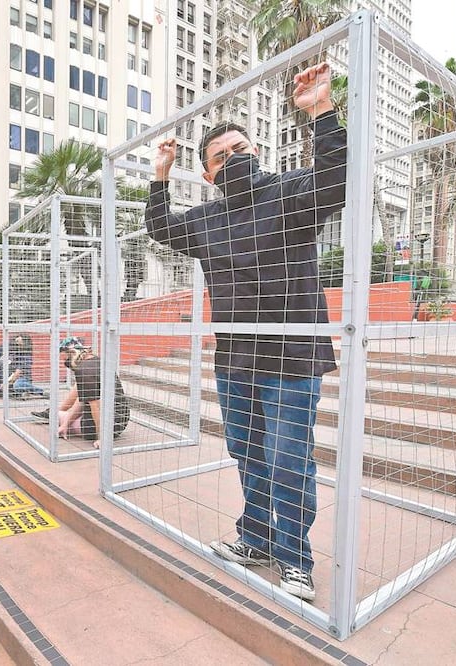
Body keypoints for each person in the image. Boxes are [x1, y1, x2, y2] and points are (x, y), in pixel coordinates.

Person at [145, 62, 346, 602]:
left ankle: (295, 559)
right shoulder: (206, 219)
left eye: (241, 149)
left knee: (287, 457)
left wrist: (320, 111)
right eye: (221, 156)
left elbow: (335, 179)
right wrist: (161, 174)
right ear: (208, 174)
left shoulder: (289, 194)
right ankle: (255, 538)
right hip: (236, 359)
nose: (234, 159)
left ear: (257, 152)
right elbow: (160, 227)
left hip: (293, 357)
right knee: (247, 450)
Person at [30, 337, 130, 445]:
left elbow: (95, 405)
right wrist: (66, 424)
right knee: (66, 413)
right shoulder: (98, 361)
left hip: (105, 427)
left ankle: (51, 415)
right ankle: (60, 418)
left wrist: (102, 438)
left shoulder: (83, 370)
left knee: (56, 415)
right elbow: (83, 400)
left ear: (72, 353)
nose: (66, 360)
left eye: (66, 356)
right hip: (121, 421)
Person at [0, 334, 45, 399]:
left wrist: (7, 383)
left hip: (19, 379)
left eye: (20, 343)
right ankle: (16, 393)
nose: (17, 345)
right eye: (16, 342)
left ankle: (41, 392)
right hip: (5, 380)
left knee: (17, 385)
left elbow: (17, 373)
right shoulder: (7, 348)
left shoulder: (26, 355)